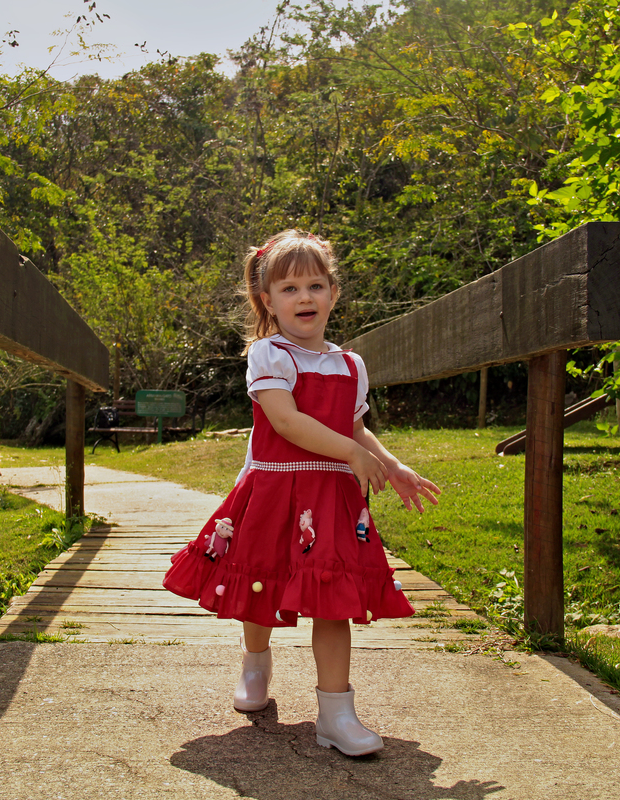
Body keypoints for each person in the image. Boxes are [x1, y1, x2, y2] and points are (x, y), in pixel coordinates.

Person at [163, 230, 441, 756]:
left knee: (332, 600)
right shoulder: (269, 354)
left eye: (316, 285)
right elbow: (286, 421)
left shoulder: (350, 364)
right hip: (276, 488)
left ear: (334, 293)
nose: (305, 297)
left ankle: (336, 713)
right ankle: (255, 662)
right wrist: (353, 454)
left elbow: (356, 429)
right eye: (289, 288)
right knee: (261, 584)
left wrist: (391, 465)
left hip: (330, 499)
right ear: (267, 300)